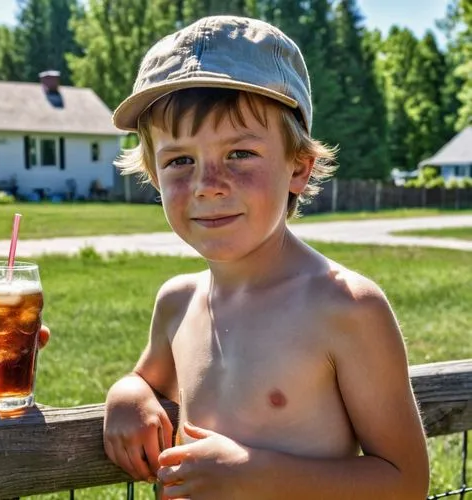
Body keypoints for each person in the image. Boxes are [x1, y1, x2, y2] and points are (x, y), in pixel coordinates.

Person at [103, 15, 430, 499]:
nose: (207, 185)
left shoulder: (346, 306)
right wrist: (126, 394)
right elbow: (143, 378)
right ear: (153, 176)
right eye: (179, 161)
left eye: (239, 154)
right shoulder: (176, 302)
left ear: (298, 168)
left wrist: (252, 474)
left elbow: (406, 483)